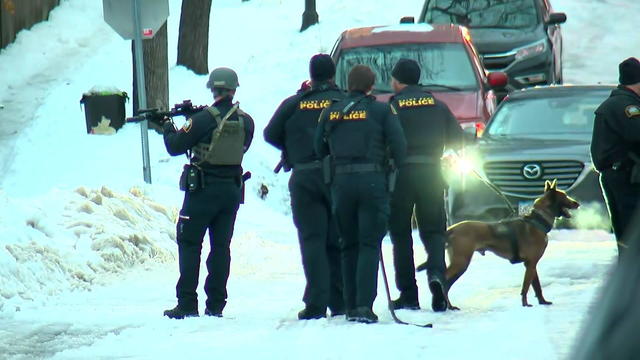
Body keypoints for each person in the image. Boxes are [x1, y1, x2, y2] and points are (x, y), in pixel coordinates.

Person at [314, 65, 406, 323]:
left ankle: (349, 304)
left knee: (348, 245)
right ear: (371, 86)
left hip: (341, 184)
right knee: (369, 244)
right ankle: (364, 306)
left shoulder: (331, 111)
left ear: (347, 85)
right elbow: (400, 146)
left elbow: (318, 149)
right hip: (373, 182)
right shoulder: (381, 110)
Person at [163, 67, 255, 319]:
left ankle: (187, 303)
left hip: (202, 191)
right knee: (221, 247)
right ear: (234, 89)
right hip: (231, 191)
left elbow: (175, 145)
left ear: (212, 89)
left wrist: (168, 127)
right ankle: (216, 304)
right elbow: (242, 147)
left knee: (190, 243)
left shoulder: (202, 119)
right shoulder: (246, 121)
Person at [263, 54, 345, 320]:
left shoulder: (294, 103)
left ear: (311, 76)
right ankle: (340, 299)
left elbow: (270, 133)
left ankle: (316, 304)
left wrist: (291, 149)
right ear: (333, 74)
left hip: (304, 176)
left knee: (312, 240)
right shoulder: (344, 101)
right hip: (337, 177)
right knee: (337, 239)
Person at [387, 59, 465, 313]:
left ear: (398, 81)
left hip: (402, 175)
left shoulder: (394, 106)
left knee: (400, 234)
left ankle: (408, 294)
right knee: (433, 231)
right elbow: (458, 140)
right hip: (432, 173)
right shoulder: (438, 105)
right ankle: (436, 276)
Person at [591, 57, 640, 258]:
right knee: (632, 235)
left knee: (626, 236)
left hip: (619, 176)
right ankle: (632, 282)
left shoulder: (617, 103)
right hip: (625, 179)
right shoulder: (626, 107)